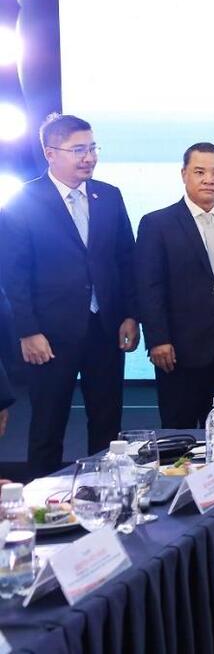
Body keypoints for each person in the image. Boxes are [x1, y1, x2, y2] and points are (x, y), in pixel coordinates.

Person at [0, 114, 139, 478]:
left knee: (107, 424)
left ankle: (107, 493)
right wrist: (28, 331)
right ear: (50, 153)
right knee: (48, 427)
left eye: (92, 148)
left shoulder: (109, 196)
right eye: (78, 150)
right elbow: (13, 275)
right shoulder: (23, 200)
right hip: (49, 335)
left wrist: (130, 314)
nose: (89, 157)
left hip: (105, 328)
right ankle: (42, 504)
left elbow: (125, 258)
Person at [135, 142, 214, 428]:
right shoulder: (157, 224)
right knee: (180, 433)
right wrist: (157, 339)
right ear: (183, 174)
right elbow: (149, 287)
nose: (209, 179)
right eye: (200, 172)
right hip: (179, 350)